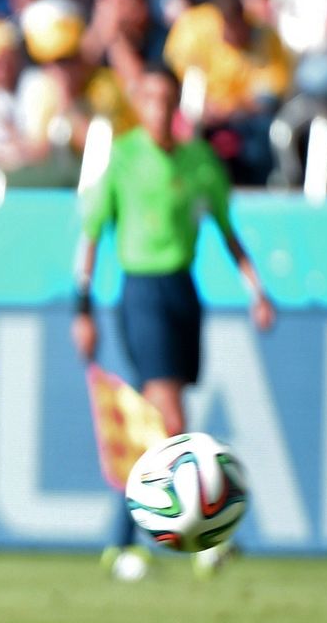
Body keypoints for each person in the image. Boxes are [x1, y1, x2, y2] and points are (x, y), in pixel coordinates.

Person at [70, 69, 275, 581]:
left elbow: (227, 231)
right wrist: (82, 309)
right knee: (169, 415)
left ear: (177, 105)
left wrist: (256, 290)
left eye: (166, 99)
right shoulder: (123, 158)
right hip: (142, 292)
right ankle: (203, 537)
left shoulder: (200, 161)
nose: (158, 109)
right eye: (149, 99)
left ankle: (120, 542)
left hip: (183, 291)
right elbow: (91, 235)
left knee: (156, 426)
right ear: (138, 105)